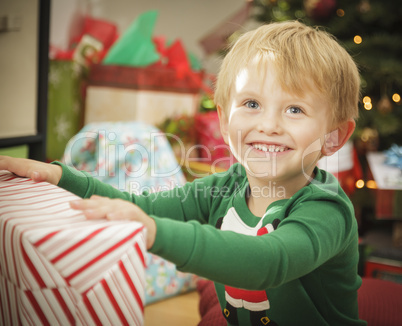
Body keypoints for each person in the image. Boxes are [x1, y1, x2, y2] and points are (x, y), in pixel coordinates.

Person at [0, 21, 366, 325]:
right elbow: (135, 204)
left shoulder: (325, 209)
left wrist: (154, 232)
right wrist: (60, 177)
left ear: (334, 137)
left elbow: (267, 262)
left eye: (295, 109)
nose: (268, 125)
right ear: (224, 121)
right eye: (251, 104)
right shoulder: (225, 188)